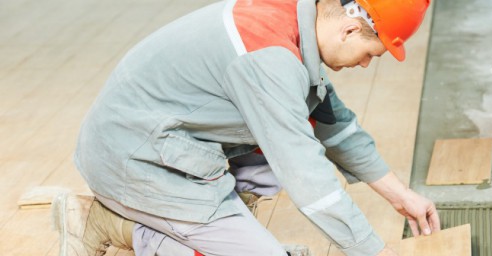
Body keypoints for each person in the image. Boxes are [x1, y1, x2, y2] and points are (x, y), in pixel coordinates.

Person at [52, 0, 439, 255]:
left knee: (295, 122)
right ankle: (101, 220)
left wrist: (401, 195)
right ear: (351, 31)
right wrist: (373, 250)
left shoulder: (295, 20)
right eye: (372, 54)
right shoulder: (270, 59)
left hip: (161, 137)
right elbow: (309, 179)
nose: (367, 64)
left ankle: (225, 232)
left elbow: (332, 125)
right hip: (131, 158)